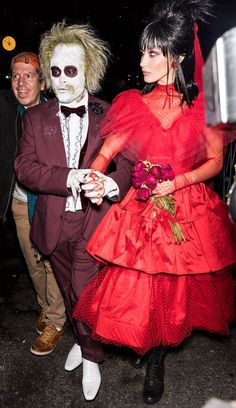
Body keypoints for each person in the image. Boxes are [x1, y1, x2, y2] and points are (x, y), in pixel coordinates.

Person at [72, 0, 236, 405]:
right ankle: (145, 344)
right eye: (142, 51)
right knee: (139, 288)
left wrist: (177, 181)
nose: (142, 60)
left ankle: (157, 359)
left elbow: (215, 163)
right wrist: (92, 174)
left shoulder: (201, 108)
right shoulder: (131, 102)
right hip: (143, 206)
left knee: (170, 290)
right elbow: (107, 151)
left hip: (185, 205)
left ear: (177, 57)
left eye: (152, 53)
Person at [14, 21, 133, 401]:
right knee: (68, 291)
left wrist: (111, 184)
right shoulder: (35, 118)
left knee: (83, 292)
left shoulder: (109, 112)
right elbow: (24, 168)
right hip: (52, 222)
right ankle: (83, 342)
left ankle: (92, 355)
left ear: (89, 71)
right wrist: (69, 178)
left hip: (95, 223)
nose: (62, 79)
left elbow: (130, 165)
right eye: (55, 70)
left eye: (71, 70)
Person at [0, 52, 66, 356]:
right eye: (15, 75)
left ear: (42, 81)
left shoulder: (56, 114)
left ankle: (56, 319)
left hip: (48, 203)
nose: (21, 82)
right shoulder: (8, 111)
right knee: (32, 261)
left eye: (29, 75)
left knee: (51, 261)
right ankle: (44, 305)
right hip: (17, 201)